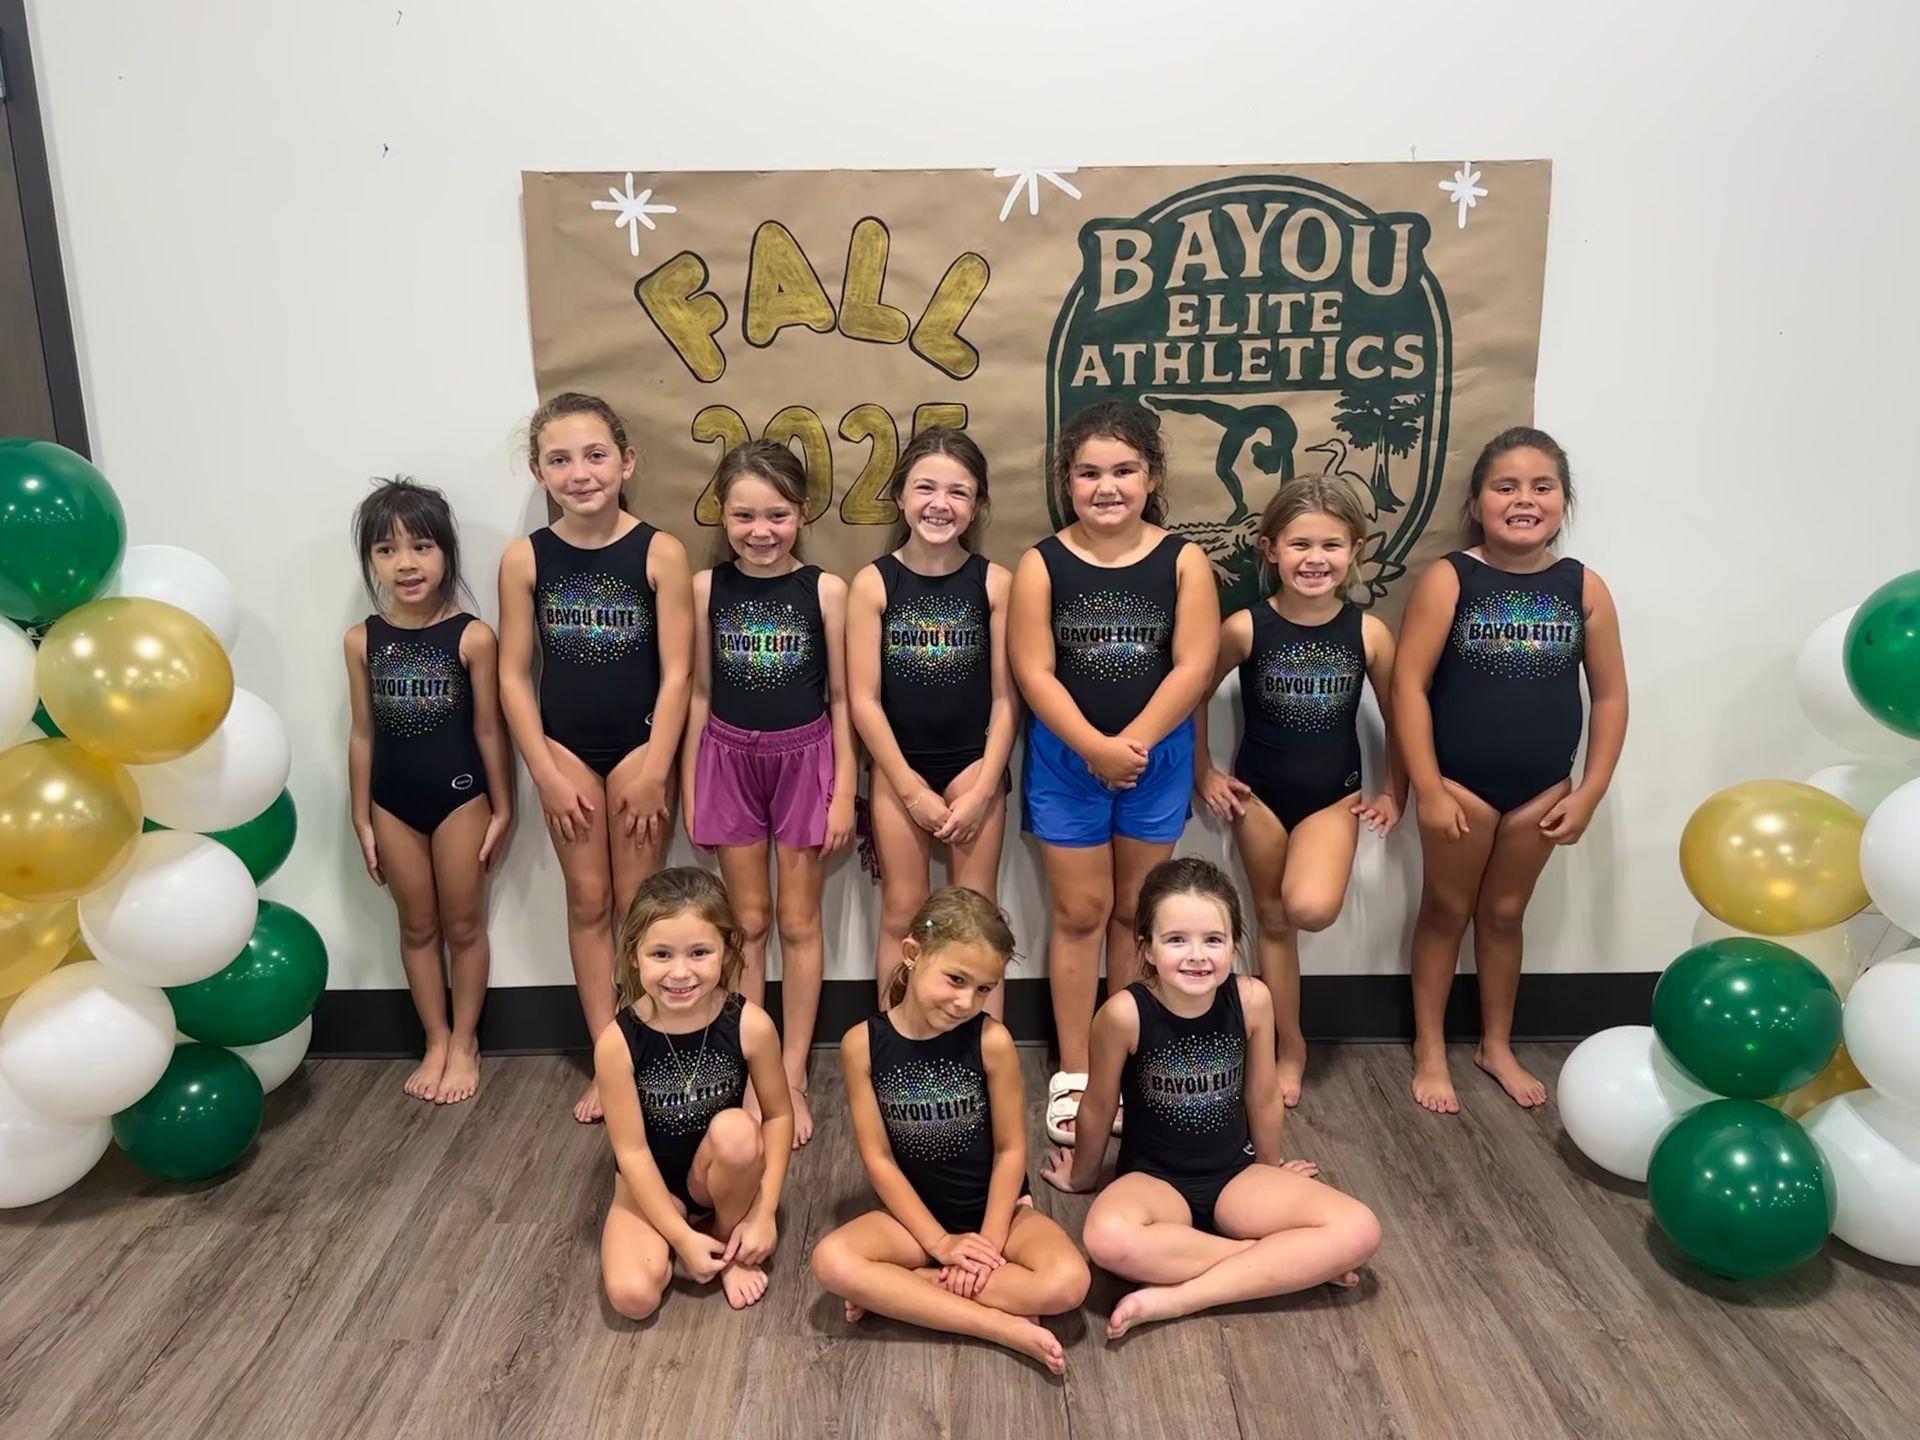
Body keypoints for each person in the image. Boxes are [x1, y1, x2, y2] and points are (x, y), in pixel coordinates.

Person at [1040, 857, 1379, 1339]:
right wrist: (1083, 1175)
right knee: (1106, 1239)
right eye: (1176, 939)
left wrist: (1269, 1166)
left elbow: (1263, 1096)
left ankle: (1183, 1297)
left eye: (1213, 940)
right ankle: (1281, 1266)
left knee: (1360, 1229)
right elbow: (1096, 1104)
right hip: (1155, 1182)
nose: (1196, 955)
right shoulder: (1124, 1014)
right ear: (1148, 949)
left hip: (1235, 1175)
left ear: (1233, 947)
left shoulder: (1252, 999)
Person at [1392, 426, 1628, 1114]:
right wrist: (1429, 788)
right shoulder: (1452, 577)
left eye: (1542, 486)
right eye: (1506, 486)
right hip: (1458, 788)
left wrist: (1589, 792)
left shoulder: (1582, 587)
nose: (1524, 499)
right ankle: (1430, 1045)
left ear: (1563, 502)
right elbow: (1409, 686)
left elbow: (1610, 695)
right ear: (1477, 502)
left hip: (1543, 791)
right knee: (1445, 910)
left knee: (1503, 915)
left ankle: (1496, 1043)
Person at [1009, 400, 1219, 1146]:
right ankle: (1074, 1071)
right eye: (1090, 472)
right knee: (1078, 915)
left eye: (1124, 471)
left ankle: (1127, 1058)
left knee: (1136, 915)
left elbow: (1194, 665)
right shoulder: (1043, 562)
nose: (1107, 487)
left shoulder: (1183, 560)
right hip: (1068, 761)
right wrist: (1093, 746)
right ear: (1067, 481)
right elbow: (1033, 670)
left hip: (1153, 760)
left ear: (1151, 477)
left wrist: (1131, 742)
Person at [498, 392, 693, 1123]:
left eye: (595, 455)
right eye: (560, 459)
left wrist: (656, 766)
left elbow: (678, 671)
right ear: (538, 471)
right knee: (588, 901)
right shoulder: (526, 558)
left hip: (643, 747)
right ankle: (608, 1057)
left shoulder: (658, 550)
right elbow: (514, 673)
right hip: (564, 749)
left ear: (626, 462)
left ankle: (650, 1052)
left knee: (642, 910)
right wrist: (544, 772)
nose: (580, 473)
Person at [811, 887, 1089, 1373]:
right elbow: (878, 1159)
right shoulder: (863, 1045)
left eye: (983, 988)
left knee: (1069, 1284)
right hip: (913, 1222)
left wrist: (988, 1245)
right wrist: (940, 1246)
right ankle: (1000, 1324)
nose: (966, 1001)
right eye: (956, 979)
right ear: (913, 955)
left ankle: (907, 1289)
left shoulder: (992, 1041)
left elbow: (1009, 1152)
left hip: (997, 1216)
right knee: (831, 1261)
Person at [1194, 476, 1403, 1106]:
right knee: (1273, 923)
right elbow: (1192, 695)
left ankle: (1281, 1037)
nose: (1316, 558)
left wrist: (1396, 791)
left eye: (1332, 545)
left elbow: (1404, 718)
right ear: (1270, 549)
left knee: (1309, 907)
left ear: (1356, 550)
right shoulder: (1245, 628)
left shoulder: (1369, 634)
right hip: (1258, 796)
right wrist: (1204, 769)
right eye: (1300, 544)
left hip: (1332, 797)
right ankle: (1286, 1045)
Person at [684, 439, 856, 1148]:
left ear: (802, 512)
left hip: (805, 757)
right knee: (748, 922)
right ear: (722, 514)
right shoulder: (705, 589)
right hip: (727, 755)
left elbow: (844, 698)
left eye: (777, 515)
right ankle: (756, 1068)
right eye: (745, 515)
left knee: (800, 922)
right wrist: (693, 782)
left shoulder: (825, 590)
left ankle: (791, 1072)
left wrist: (844, 789)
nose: (761, 530)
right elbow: (698, 689)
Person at [346, 477, 512, 1104]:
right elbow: (362, 734)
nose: (406, 564)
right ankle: (435, 1037)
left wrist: (504, 807)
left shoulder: (472, 636)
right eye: (387, 551)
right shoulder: (362, 640)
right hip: (392, 802)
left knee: (463, 925)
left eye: (420, 547)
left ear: (446, 552)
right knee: (416, 927)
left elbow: (491, 730)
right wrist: (361, 816)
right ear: (371, 562)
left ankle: (466, 1040)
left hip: (461, 798)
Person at [847, 429, 1018, 1012]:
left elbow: (1005, 699)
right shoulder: (874, 582)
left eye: (958, 492)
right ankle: (895, 1042)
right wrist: (910, 788)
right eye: (925, 487)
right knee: (903, 908)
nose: (939, 504)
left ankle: (982, 1047)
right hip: (900, 772)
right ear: (900, 496)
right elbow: (864, 700)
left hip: (975, 765)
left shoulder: (995, 583)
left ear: (977, 505)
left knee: (976, 911)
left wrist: (986, 783)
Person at [595, 867, 793, 1316]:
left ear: (727, 951)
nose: (680, 973)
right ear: (634, 956)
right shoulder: (617, 1043)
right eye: (661, 954)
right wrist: (680, 1238)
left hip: (718, 1168)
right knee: (633, 1297)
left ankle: (726, 1237)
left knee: (738, 1131)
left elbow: (779, 1117)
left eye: (699, 952)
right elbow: (631, 1152)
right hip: (650, 1181)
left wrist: (765, 1210)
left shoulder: (751, 1025)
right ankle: (682, 1230)